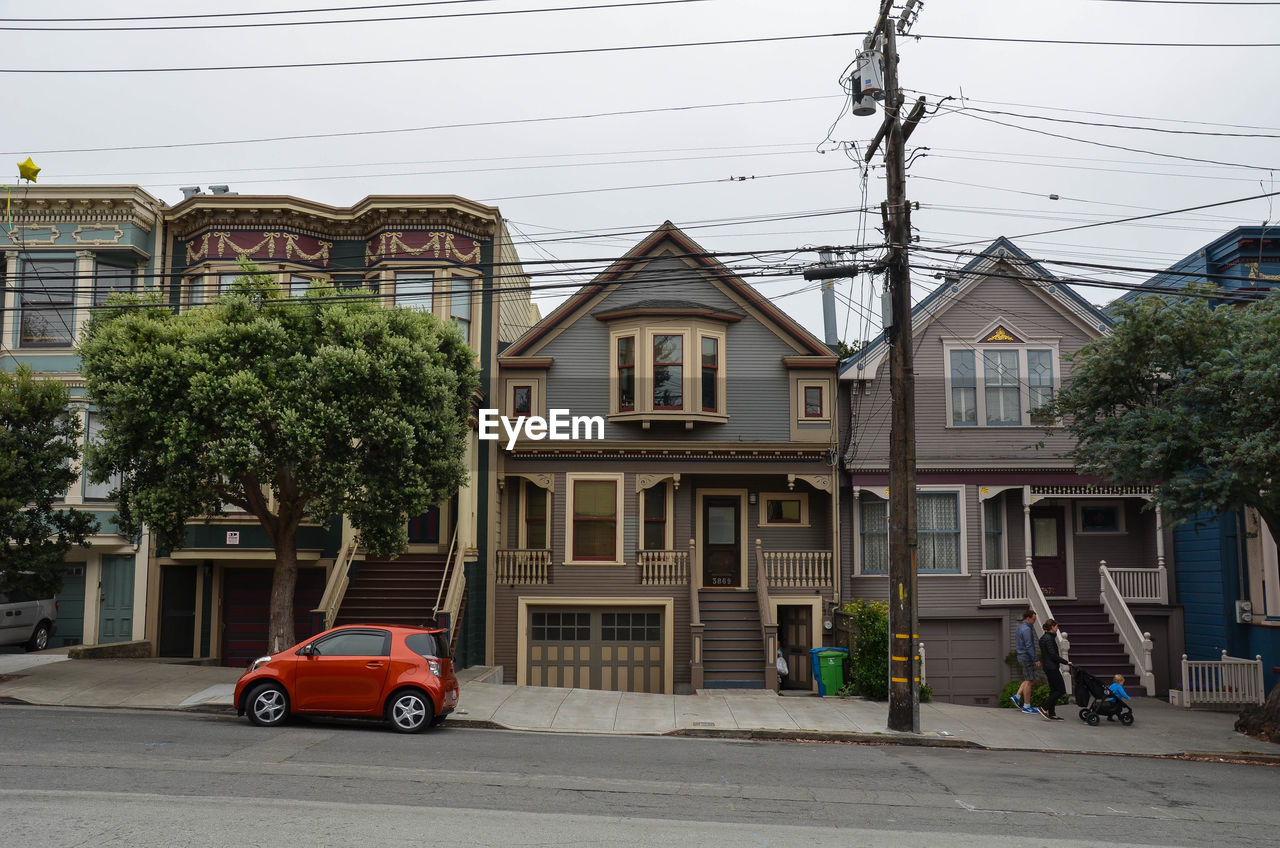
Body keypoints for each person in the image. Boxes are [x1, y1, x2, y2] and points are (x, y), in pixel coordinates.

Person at [1037, 619, 1070, 721]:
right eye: (1056, 626)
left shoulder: (1044, 638)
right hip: (1052, 667)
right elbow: (1052, 655)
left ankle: (1052, 713)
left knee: (1053, 690)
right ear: (1052, 627)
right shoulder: (1049, 639)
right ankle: (1044, 708)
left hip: (1047, 667)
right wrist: (1066, 662)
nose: (1057, 628)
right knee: (1060, 690)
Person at [1012, 609, 1039, 714]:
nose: (1034, 621)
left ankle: (1017, 696)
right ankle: (1027, 706)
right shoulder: (1027, 629)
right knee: (1029, 681)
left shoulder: (1020, 627)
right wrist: (1035, 659)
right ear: (1028, 618)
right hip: (1026, 657)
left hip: (1021, 656)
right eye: (1033, 619)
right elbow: (1029, 646)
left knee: (1028, 679)